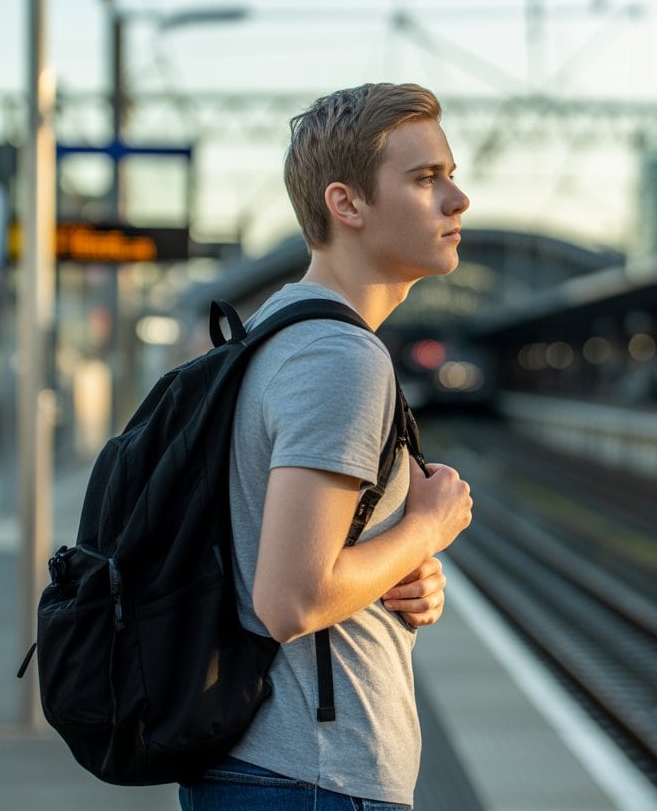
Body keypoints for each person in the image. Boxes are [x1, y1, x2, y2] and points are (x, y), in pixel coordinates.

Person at [179, 83, 473, 810]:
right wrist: (429, 526)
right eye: (425, 179)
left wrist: (405, 566)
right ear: (347, 204)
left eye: (451, 174)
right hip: (312, 779)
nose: (457, 200)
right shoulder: (336, 358)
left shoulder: (279, 332)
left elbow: (294, 554)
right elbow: (292, 597)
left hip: (279, 771)